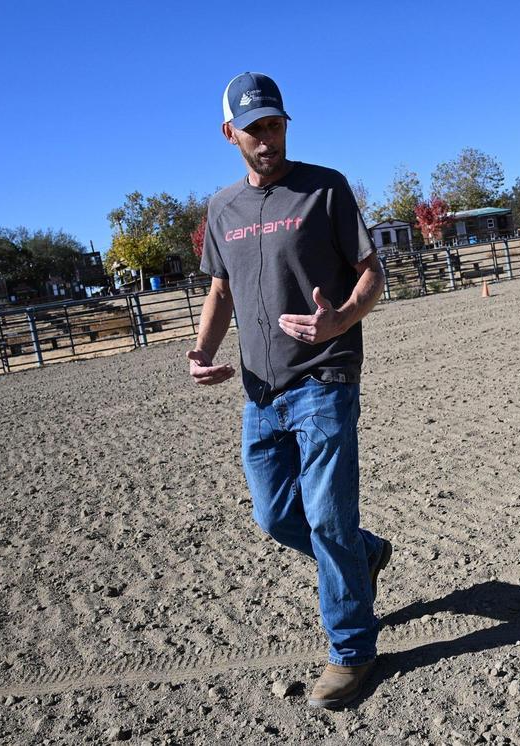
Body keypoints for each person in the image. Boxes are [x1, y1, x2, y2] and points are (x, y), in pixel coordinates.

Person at [187, 72, 391, 709]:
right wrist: (202, 351)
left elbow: (371, 273)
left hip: (325, 378)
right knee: (277, 516)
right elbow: (219, 290)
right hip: (260, 391)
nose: (267, 138)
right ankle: (365, 557)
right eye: (254, 129)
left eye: (275, 124)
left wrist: (340, 319)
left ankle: (352, 653)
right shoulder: (222, 209)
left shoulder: (324, 188)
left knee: (328, 518)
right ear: (231, 135)